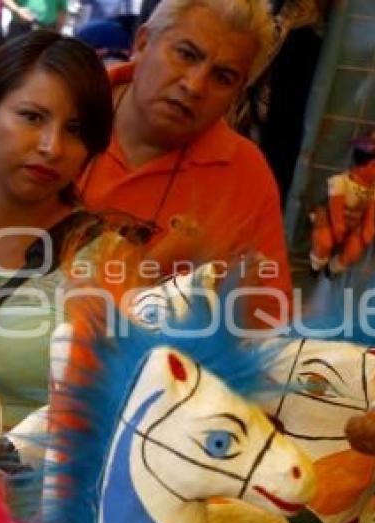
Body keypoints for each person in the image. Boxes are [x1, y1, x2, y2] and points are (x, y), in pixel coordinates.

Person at [78, 0, 293, 324]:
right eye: (186, 54)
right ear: (142, 43)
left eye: (223, 77)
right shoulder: (61, 110)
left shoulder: (245, 173)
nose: (194, 86)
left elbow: (267, 328)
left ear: (238, 93)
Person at [0, 30, 112, 426]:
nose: (52, 146)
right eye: (33, 117)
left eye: (75, 130)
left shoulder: (105, 258)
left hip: (21, 484)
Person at [309, 131, 375, 276]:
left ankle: (334, 268)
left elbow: (370, 212)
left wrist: (369, 226)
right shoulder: (341, 182)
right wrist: (338, 227)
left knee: (354, 251)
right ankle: (317, 263)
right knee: (325, 242)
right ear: (364, 164)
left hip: (354, 220)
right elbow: (335, 208)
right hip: (331, 218)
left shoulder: (374, 188)